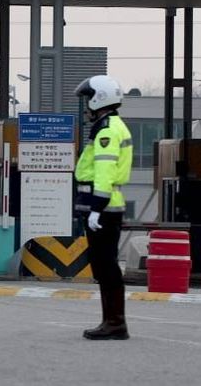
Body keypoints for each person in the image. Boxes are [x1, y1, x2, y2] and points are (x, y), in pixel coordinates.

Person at [74, 75, 132, 341]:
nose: (86, 106)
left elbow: (105, 172)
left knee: (105, 265)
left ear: (100, 98)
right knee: (102, 264)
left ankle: (115, 323)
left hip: (104, 209)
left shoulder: (107, 129)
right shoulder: (108, 126)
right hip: (103, 207)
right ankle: (111, 321)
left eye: (89, 100)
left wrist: (96, 208)